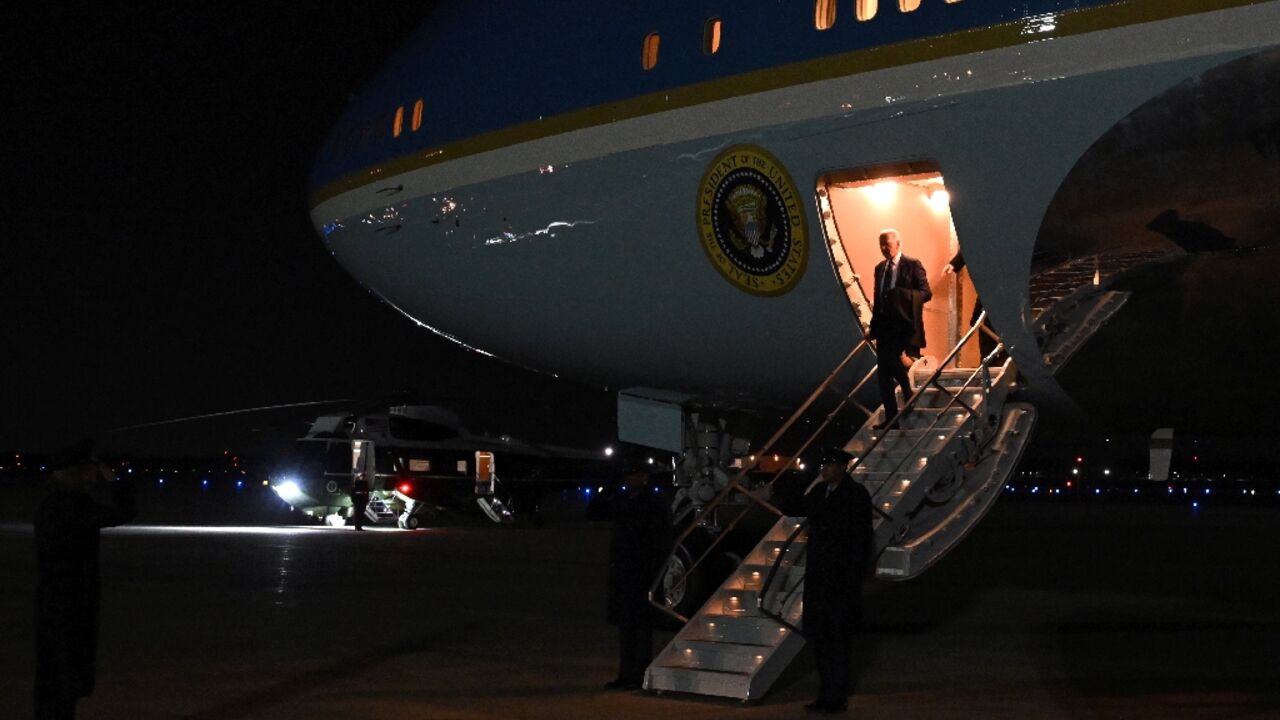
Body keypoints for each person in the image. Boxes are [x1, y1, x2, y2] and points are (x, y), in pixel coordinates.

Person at [35, 440, 136, 720]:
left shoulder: (60, 502)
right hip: (67, 603)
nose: (95, 474)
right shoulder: (67, 505)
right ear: (75, 471)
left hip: (62, 600)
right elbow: (123, 513)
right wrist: (115, 481)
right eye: (91, 469)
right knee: (62, 679)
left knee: (58, 679)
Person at [802, 446, 873, 714]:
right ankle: (825, 693)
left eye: (830, 465)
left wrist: (854, 577)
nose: (824, 469)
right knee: (820, 640)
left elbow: (861, 539)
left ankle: (837, 696)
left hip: (840, 582)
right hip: (818, 580)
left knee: (838, 641)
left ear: (843, 467)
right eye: (823, 465)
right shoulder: (819, 493)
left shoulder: (856, 495)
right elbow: (799, 506)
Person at [605, 456, 671, 690]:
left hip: (642, 572)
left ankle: (639, 675)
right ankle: (626, 673)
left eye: (635, 474)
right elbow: (598, 510)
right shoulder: (624, 500)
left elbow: (659, 540)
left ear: (644, 477)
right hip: (624, 571)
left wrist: (652, 569)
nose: (630, 479)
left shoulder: (652, 504)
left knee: (641, 627)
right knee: (627, 627)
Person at [867, 229, 932, 428]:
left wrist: (901, 296)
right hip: (884, 324)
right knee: (883, 374)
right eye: (881, 244)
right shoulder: (880, 268)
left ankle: (906, 392)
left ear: (898, 243)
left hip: (903, 323)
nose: (883, 248)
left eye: (886, 244)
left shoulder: (912, 264)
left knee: (890, 361)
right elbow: (878, 300)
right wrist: (873, 327)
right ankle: (893, 416)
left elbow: (925, 293)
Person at [943, 251, 998, 360]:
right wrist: (954, 263)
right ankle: (987, 364)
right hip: (990, 298)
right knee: (986, 336)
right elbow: (973, 243)